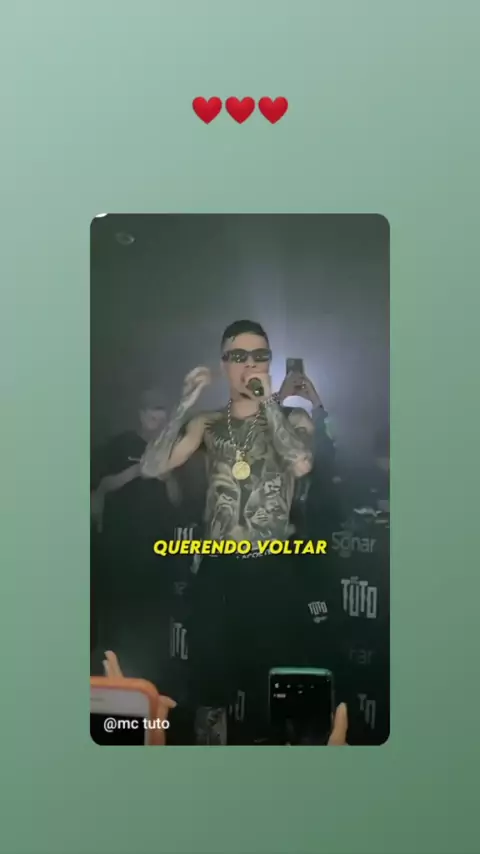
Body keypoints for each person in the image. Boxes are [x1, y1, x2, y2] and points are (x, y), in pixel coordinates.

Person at [140, 320, 331, 745]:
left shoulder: (294, 418)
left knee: (276, 681)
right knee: (209, 681)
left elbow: (301, 464)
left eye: (260, 356)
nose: (250, 364)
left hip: (273, 569)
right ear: (224, 364)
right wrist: (184, 403)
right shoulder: (208, 423)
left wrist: (268, 405)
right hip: (219, 569)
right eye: (239, 356)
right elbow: (152, 467)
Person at [90, 388, 184, 693]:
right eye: (151, 409)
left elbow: (179, 501)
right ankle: (110, 684)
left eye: (161, 410)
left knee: (152, 625)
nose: (157, 416)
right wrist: (138, 470)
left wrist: (167, 477)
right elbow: (102, 486)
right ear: (140, 414)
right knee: (116, 622)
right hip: (120, 548)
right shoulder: (121, 444)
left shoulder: (174, 451)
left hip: (157, 554)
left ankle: (151, 688)